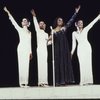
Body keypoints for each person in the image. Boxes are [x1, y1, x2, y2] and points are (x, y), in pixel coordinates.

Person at [50, 5, 80, 86]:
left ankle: (65, 80)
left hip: (64, 48)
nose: (60, 21)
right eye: (59, 20)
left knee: (64, 63)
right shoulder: (53, 30)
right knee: (58, 63)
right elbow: (51, 40)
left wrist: (75, 13)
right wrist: (50, 37)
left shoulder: (64, 28)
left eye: (61, 20)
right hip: (57, 48)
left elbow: (70, 21)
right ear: (56, 21)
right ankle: (58, 81)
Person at [4, 7, 32, 87]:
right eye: (23, 21)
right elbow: (13, 22)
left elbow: (30, 43)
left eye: (25, 20)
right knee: (21, 64)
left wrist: (30, 52)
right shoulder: (20, 29)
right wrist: (8, 12)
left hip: (27, 49)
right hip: (21, 48)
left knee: (27, 65)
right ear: (22, 23)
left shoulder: (30, 32)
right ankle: (21, 83)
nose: (24, 21)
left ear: (27, 23)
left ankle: (26, 82)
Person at [71, 14, 100, 85]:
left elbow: (92, 23)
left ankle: (89, 80)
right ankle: (83, 81)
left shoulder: (85, 29)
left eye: (82, 23)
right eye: (79, 23)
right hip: (80, 48)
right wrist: (71, 53)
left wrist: (99, 16)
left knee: (88, 63)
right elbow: (74, 44)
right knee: (82, 64)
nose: (81, 24)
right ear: (77, 24)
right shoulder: (74, 33)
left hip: (87, 47)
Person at [31, 9, 48, 86]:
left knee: (45, 65)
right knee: (40, 65)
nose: (41, 24)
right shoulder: (38, 30)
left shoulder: (46, 34)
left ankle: (45, 82)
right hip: (40, 49)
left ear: (44, 25)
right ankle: (40, 82)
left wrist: (51, 39)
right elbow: (35, 23)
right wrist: (34, 16)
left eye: (42, 24)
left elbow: (48, 43)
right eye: (40, 24)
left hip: (45, 50)